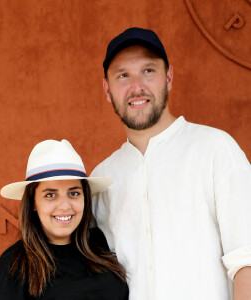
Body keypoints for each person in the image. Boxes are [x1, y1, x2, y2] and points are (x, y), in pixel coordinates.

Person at [91, 27, 251, 300]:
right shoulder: (102, 178)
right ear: (107, 89)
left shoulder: (215, 149)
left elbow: (245, 260)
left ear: (169, 77)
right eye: (123, 75)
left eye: (148, 71)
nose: (136, 87)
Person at [0, 139, 129, 299]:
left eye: (74, 193)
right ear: (33, 202)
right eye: (50, 195)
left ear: (85, 198)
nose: (64, 206)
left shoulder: (100, 245)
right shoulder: (7, 274)